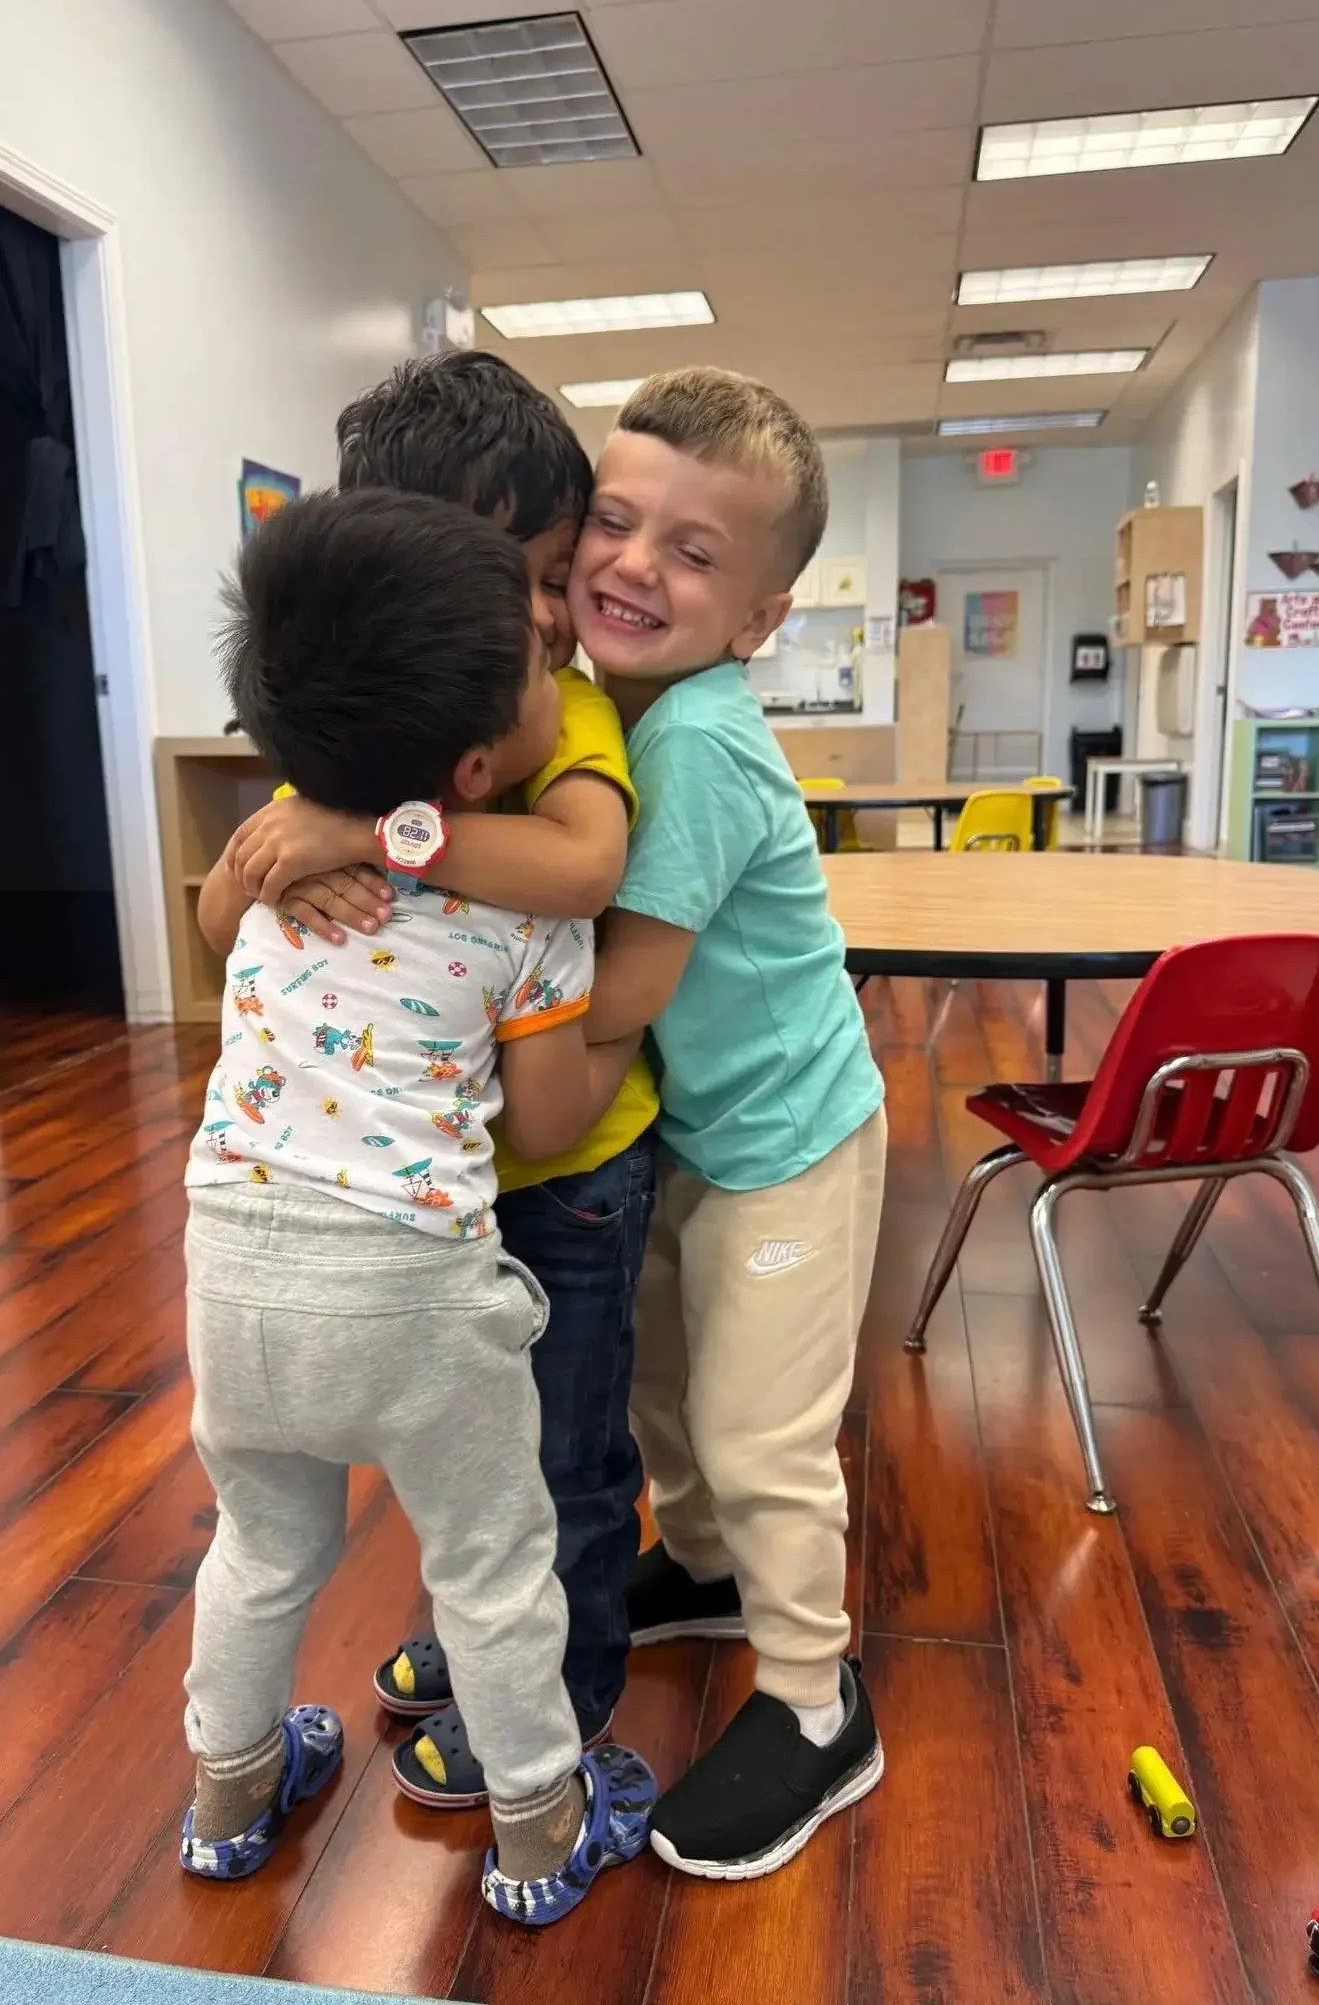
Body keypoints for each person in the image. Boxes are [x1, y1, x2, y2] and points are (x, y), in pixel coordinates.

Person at [180, 485, 656, 1926]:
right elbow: (555, 1120)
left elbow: (217, 935)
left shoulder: (270, 878)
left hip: (234, 1283)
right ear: (476, 760)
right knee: (496, 1571)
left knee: (259, 1551)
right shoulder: (530, 920)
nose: (556, 672)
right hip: (418, 1306)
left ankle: (228, 1794)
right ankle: (536, 1835)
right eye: (536, 668)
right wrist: (632, 1022)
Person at [566, 367, 889, 1882]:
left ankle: (820, 1707)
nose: (636, 563)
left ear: (760, 618)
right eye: (616, 522)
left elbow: (622, 985)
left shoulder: (692, 734)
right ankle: (698, 1570)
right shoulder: (596, 699)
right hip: (691, 1129)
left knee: (765, 1430)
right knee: (666, 1388)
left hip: (791, 1138)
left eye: (695, 554)